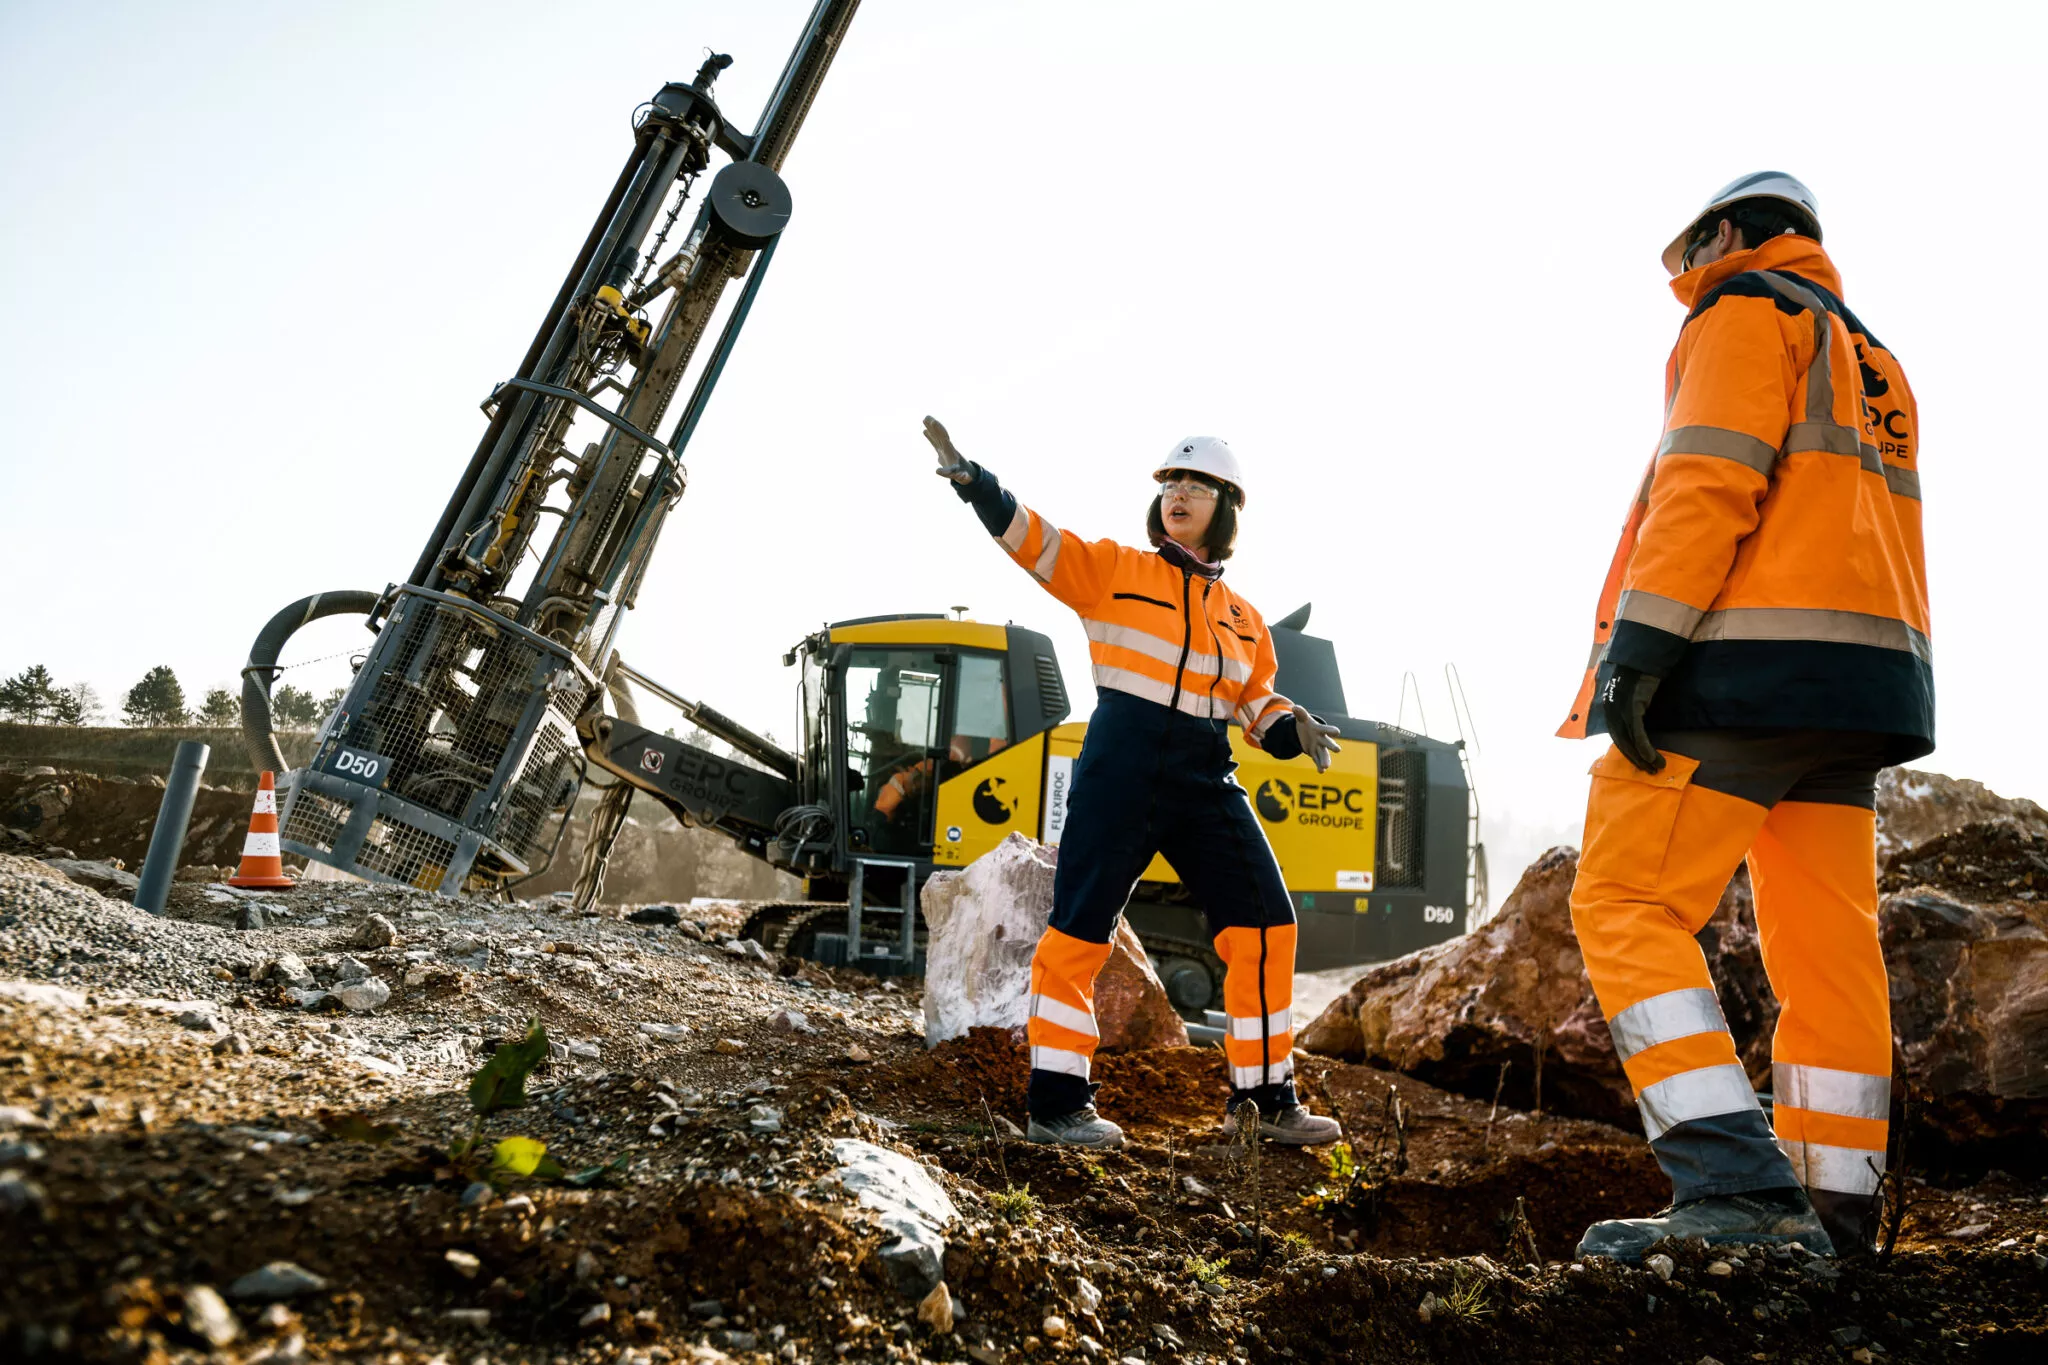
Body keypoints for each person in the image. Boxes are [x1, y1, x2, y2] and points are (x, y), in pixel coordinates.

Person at [1558, 173, 1928, 1259]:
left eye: (1687, 252)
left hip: (1739, 668)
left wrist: (1638, 653)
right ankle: (1832, 1209)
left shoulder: (1742, 312)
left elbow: (1706, 481)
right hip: (1862, 686)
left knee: (1621, 899)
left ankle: (1736, 1190)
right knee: (1824, 948)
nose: (1681, 279)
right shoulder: (1871, 360)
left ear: (1726, 234)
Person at [923, 417, 1345, 1149]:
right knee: (1080, 929)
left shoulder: (1246, 621)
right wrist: (976, 484)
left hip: (1205, 772)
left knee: (1268, 925)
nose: (1178, 493)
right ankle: (1056, 1103)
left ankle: (1265, 1100)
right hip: (1121, 762)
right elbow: (1039, 541)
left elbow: (1256, 703)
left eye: (1196, 484)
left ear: (1228, 507)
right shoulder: (1116, 569)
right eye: (1171, 484)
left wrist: (1291, 725)